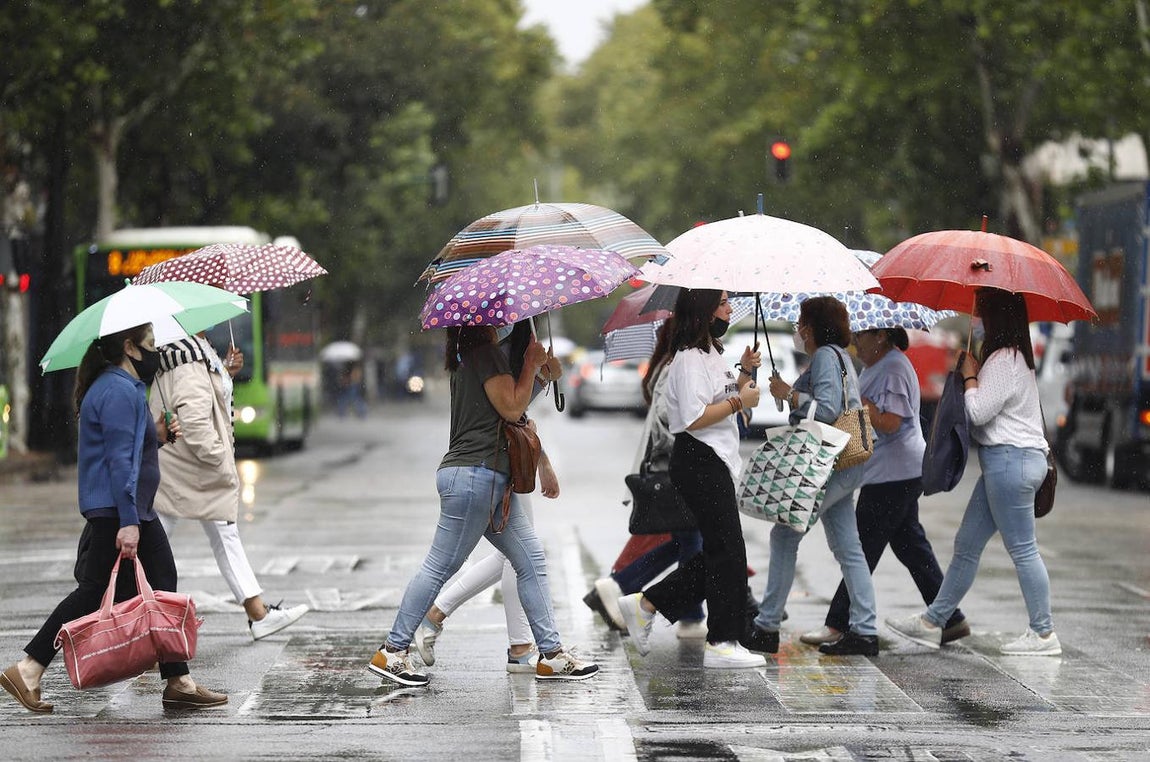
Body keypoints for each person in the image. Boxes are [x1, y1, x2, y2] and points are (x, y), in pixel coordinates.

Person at [0, 324, 227, 713]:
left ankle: (178, 680)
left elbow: (126, 447)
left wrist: (155, 434)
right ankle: (29, 668)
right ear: (129, 347)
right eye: (151, 346)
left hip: (130, 508)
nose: (156, 353)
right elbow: (120, 463)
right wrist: (127, 522)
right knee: (92, 594)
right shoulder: (119, 391)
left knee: (162, 583)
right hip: (119, 511)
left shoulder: (119, 388)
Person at [367, 323, 598, 686]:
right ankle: (393, 651)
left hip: (484, 480)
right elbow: (510, 409)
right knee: (440, 566)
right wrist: (531, 365)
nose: (504, 321)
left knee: (530, 559)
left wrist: (540, 379)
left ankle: (551, 654)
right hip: (475, 477)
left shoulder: (469, 357)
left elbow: (507, 407)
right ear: (483, 321)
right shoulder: (485, 355)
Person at [886, 288, 1060, 656]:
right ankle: (934, 621)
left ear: (996, 317)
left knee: (1024, 549)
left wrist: (968, 378)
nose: (975, 319)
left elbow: (978, 414)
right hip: (1008, 463)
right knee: (967, 545)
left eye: (980, 312)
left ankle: (1043, 633)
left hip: (1010, 463)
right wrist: (975, 374)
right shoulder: (1014, 359)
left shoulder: (1005, 359)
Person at [616, 289, 767, 669]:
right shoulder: (686, 358)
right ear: (702, 311)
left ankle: (647, 604)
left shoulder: (712, 353)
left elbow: (728, 394)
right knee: (728, 552)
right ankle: (721, 640)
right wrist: (739, 402)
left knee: (723, 552)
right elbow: (692, 418)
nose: (730, 308)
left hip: (716, 460)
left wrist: (746, 373)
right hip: (698, 460)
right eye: (723, 302)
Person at [799, 326, 969, 648]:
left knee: (861, 548)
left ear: (880, 337)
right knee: (910, 546)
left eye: (860, 336)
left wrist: (859, 402)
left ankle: (840, 623)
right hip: (892, 472)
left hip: (894, 474)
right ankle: (950, 618)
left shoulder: (892, 366)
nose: (854, 342)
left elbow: (891, 422)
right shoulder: (879, 365)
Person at [411, 321, 566, 673]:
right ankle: (436, 621)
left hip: (503, 459)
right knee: (517, 558)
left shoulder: (513, 331)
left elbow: (514, 405)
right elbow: (511, 411)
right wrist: (536, 370)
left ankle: (522, 644)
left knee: (522, 556)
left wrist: (542, 377)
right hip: (492, 461)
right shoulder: (497, 339)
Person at [149, 333, 309, 640]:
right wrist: (221, 460)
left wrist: (223, 371)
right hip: (193, 468)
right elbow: (195, 424)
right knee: (156, 543)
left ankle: (257, 613)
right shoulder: (188, 358)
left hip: (182, 468)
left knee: (215, 534)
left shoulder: (194, 351)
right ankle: (137, 621)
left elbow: (199, 394)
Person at [745, 296, 881, 656]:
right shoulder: (838, 356)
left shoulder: (825, 355)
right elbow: (824, 398)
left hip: (830, 461)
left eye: (802, 322)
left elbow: (827, 409)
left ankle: (766, 625)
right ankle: (865, 631)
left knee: (784, 534)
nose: (798, 329)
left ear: (813, 326)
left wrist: (789, 394)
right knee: (848, 547)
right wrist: (787, 391)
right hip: (847, 462)